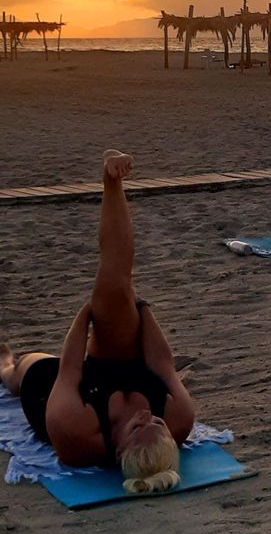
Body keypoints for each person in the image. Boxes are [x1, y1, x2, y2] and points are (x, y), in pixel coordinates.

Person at [0, 151, 195, 494]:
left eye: (138, 428)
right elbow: (162, 363)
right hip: (116, 366)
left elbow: (69, 371)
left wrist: (89, 312)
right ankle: (112, 178)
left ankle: (4, 364)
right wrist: (134, 306)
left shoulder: (77, 435)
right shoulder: (179, 418)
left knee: (16, 373)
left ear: (119, 451)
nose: (145, 416)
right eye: (156, 422)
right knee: (116, 281)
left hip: (51, 386)